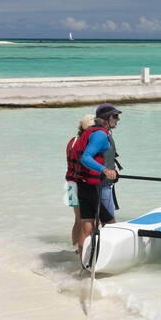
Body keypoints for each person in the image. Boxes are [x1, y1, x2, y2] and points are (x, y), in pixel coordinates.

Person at [74, 103, 121, 260]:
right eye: (115, 116)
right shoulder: (100, 134)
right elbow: (86, 157)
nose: (118, 119)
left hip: (83, 185)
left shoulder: (90, 133)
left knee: (87, 228)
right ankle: (108, 260)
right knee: (111, 226)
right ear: (107, 119)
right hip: (99, 186)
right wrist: (104, 170)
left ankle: (84, 265)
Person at [65, 113, 95, 250]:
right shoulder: (87, 142)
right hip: (82, 184)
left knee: (77, 220)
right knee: (88, 220)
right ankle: (86, 249)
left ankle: (75, 248)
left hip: (70, 184)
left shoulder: (72, 141)